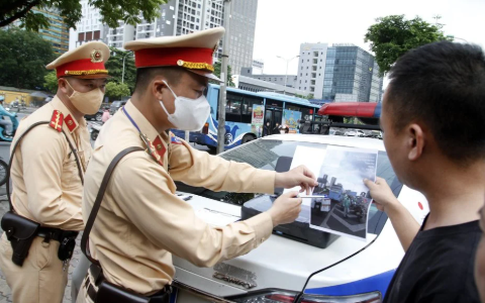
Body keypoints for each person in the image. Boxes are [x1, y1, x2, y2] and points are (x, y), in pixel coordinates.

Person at [77, 27, 317, 303]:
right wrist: (273, 217)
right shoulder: (132, 160)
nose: (203, 104)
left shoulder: (139, 130)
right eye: (197, 92)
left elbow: (211, 169)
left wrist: (280, 177)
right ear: (159, 89)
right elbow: (205, 246)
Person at [364, 41, 484, 303]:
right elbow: (428, 256)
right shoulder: (458, 215)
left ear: (414, 141)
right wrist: (393, 207)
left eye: (384, 130)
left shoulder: (459, 283)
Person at [0, 41, 110, 303]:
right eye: (88, 85)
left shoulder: (77, 123)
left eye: (101, 85)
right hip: (38, 249)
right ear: (64, 85)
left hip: (55, 245)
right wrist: (105, 221)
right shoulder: (47, 132)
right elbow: (46, 207)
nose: (97, 93)